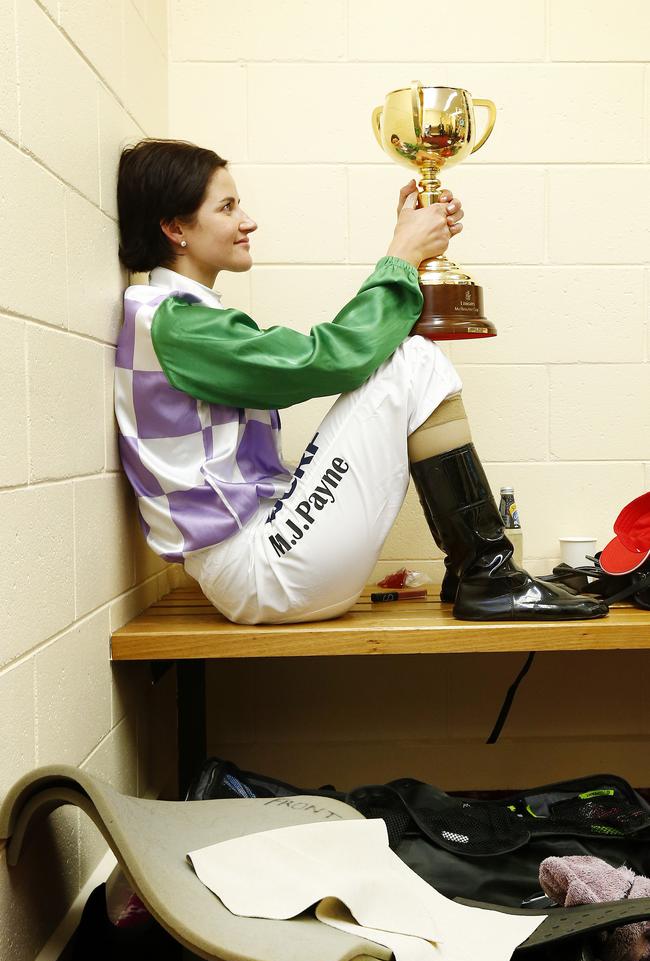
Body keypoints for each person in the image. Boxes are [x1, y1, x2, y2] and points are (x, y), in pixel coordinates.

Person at [114, 139, 606, 625]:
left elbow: (336, 357)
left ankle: (477, 568)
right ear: (175, 226)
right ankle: (488, 575)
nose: (248, 220)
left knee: (410, 358)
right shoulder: (172, 322)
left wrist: (408, 245)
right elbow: (328, 361)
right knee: (413, 360)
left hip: (262, 558)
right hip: (259, 571)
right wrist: (403, 254)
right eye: (227, 207)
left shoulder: (177, 316)